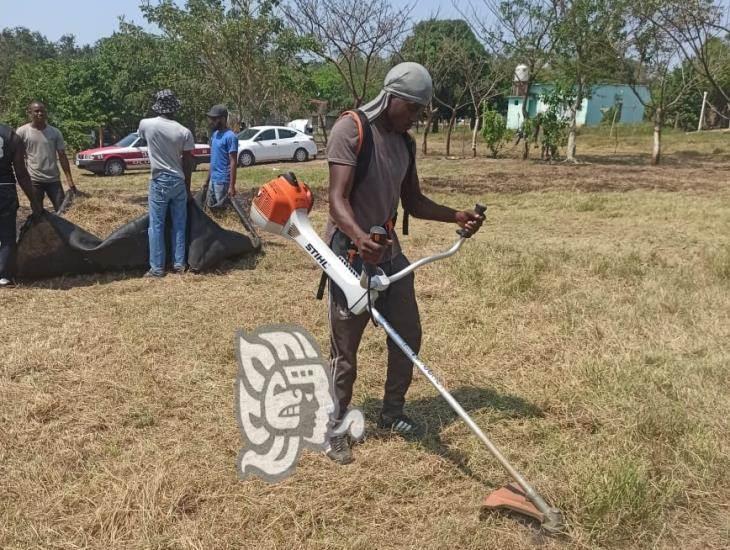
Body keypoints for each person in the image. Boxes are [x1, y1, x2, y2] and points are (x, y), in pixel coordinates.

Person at [324, 62, 484, 464]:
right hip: (349, 254)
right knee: (347, 349)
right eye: (412, 109)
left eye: (420, 111)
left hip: (389, 252)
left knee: (408, 334)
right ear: (391, 97)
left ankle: (392, 411)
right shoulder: (351, 130)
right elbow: (337, 200)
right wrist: (360, 239)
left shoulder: (404, 144)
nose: (415, 118)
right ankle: (335, 427)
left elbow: (412, 202)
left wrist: (455, 215)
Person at [137, 89, 194, 278]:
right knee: (179, 223)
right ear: (174, 108)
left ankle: (157, 268)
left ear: (158, 107)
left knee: (157, 225)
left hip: (159, 180)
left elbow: (142, 136)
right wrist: (187, 187)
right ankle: (179, 264)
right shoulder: (184, 131)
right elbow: (187, 162)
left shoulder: (147, 124)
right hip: (178, 180)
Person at [0, 123, 43, 287]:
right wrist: (34, 199)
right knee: (7, 236)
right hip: (4, 189)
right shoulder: (11, 136)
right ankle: (3, 276)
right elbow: (21, 174)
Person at [16, 101, 77, 212]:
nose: (40, 113)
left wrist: (70, 181)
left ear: (46, 113)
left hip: (53, 180)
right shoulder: (22, 132)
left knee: (63, 212)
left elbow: (62, 156)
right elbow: (17, 157)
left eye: (42, 111)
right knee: (37, 213)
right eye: (36, 111)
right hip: (34, 180)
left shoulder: (55, 132)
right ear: (30, 113)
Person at [204, 104, 237, 208]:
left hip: (222, 182)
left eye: (214, 119)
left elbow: (233, 162)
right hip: (213, 180)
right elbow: (213, 160)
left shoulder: (230, 137)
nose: (212, 121)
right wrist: (207, 180)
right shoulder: (215, 135)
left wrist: (231, 186)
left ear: (222, 119)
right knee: (210, 210)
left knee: (223, 211)